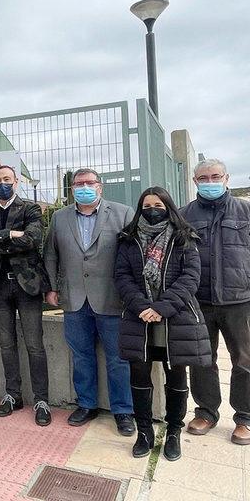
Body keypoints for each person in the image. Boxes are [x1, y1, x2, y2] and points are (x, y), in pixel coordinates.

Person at [115, 187, 211, 461]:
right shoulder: (128, 238)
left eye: (158, 204)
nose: (152, 209)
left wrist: (161, 308)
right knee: (140, 378)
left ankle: (173, 433)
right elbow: (121, 276)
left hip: (175, 320)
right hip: (139, 320)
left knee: (177, 379)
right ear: (139, 208)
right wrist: (143, 307)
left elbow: (191, 277)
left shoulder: (184, 238)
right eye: (147, 205)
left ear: (168, 206)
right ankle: (143, 432)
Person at [43, 168, 136, 436]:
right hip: (73, 299)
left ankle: (122, 410)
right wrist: (51, 287)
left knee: (118, 358)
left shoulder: (123, 213)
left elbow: (132, 256)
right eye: (79, 183)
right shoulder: (59, 217)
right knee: (81, 356)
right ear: (72, 189)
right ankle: (86, 405)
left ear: (100, 186)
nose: (84, 187)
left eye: (90, 183)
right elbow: (50, 254)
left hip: (112, 297)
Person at [180, 159, 250, 446]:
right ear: (195, 181)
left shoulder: (245, 210)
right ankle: (206, 412)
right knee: (202, 361)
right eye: (203, 178)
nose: (210, 182)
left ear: (226, 177)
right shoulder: (184, 216)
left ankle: (245, 417)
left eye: (215, 176)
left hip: (240, 300)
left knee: (245, 361)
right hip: (199, 301)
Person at [0, 165, 53, 426]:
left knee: (35, 345)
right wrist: (10, 234)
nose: (2, 184)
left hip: (27, 287)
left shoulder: (31, 209)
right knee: (7, 345)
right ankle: (13, 395)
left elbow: (32, 239)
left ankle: (42, 400)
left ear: (16, 181)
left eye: (6, 179)